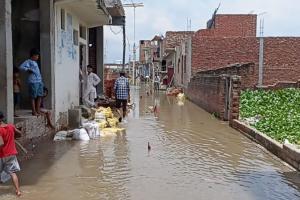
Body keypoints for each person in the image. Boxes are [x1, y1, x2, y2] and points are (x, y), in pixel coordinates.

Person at [0, 111, 22, 196]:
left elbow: (1, 143)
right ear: (2, 118)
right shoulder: (10, 126)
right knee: (13, 173)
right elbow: (19, 134)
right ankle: (18, 191)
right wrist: (12, 137)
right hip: (11, 154)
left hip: (2, 154)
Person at [19, 48, 44, 116]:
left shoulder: (35, 62)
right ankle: (34, 111)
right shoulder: (28, 61)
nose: (38, 57)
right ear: (33, 55)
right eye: (37, 56)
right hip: (33, 82)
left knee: (40, 95)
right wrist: (28, 69)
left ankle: (38, 110)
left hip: (39, 81)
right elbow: (21, 67)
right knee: (33, 96)